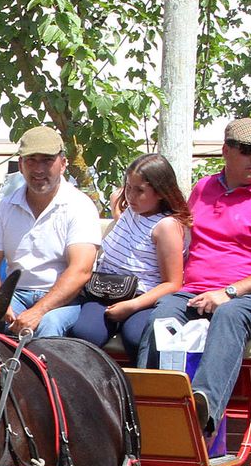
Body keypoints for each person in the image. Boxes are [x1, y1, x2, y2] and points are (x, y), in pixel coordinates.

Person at [136, 118, 251, 437]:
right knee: (161, 314)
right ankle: (145, 405)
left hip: (246, 299)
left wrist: (229, 292)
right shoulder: (203, 188)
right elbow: (179, 231)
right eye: (248, 150)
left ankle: (202, 409)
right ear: (226, 151)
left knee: (228, 315)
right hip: (192, 292)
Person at [0, 125, 102, 337]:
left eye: (47, 160)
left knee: (48, 325)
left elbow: (80, 271)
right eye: (31, 160)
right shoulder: (4, 206)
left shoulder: (80, 206)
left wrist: (39, 311)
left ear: (63, 164)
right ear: (21, 165)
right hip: (14, 295)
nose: (39, 169)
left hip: (64, 301)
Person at [67, 153, 188, 359]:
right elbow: (130, 230)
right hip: (104, 289)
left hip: (142, 298)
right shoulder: (132, 212)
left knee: (136, 337)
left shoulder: (166, 227)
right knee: (85, 333)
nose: (130, 196)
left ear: (160, 192)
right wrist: (119, 207)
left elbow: (173, 283)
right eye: (128, 187)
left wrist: (131, 306)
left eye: (139, 190)